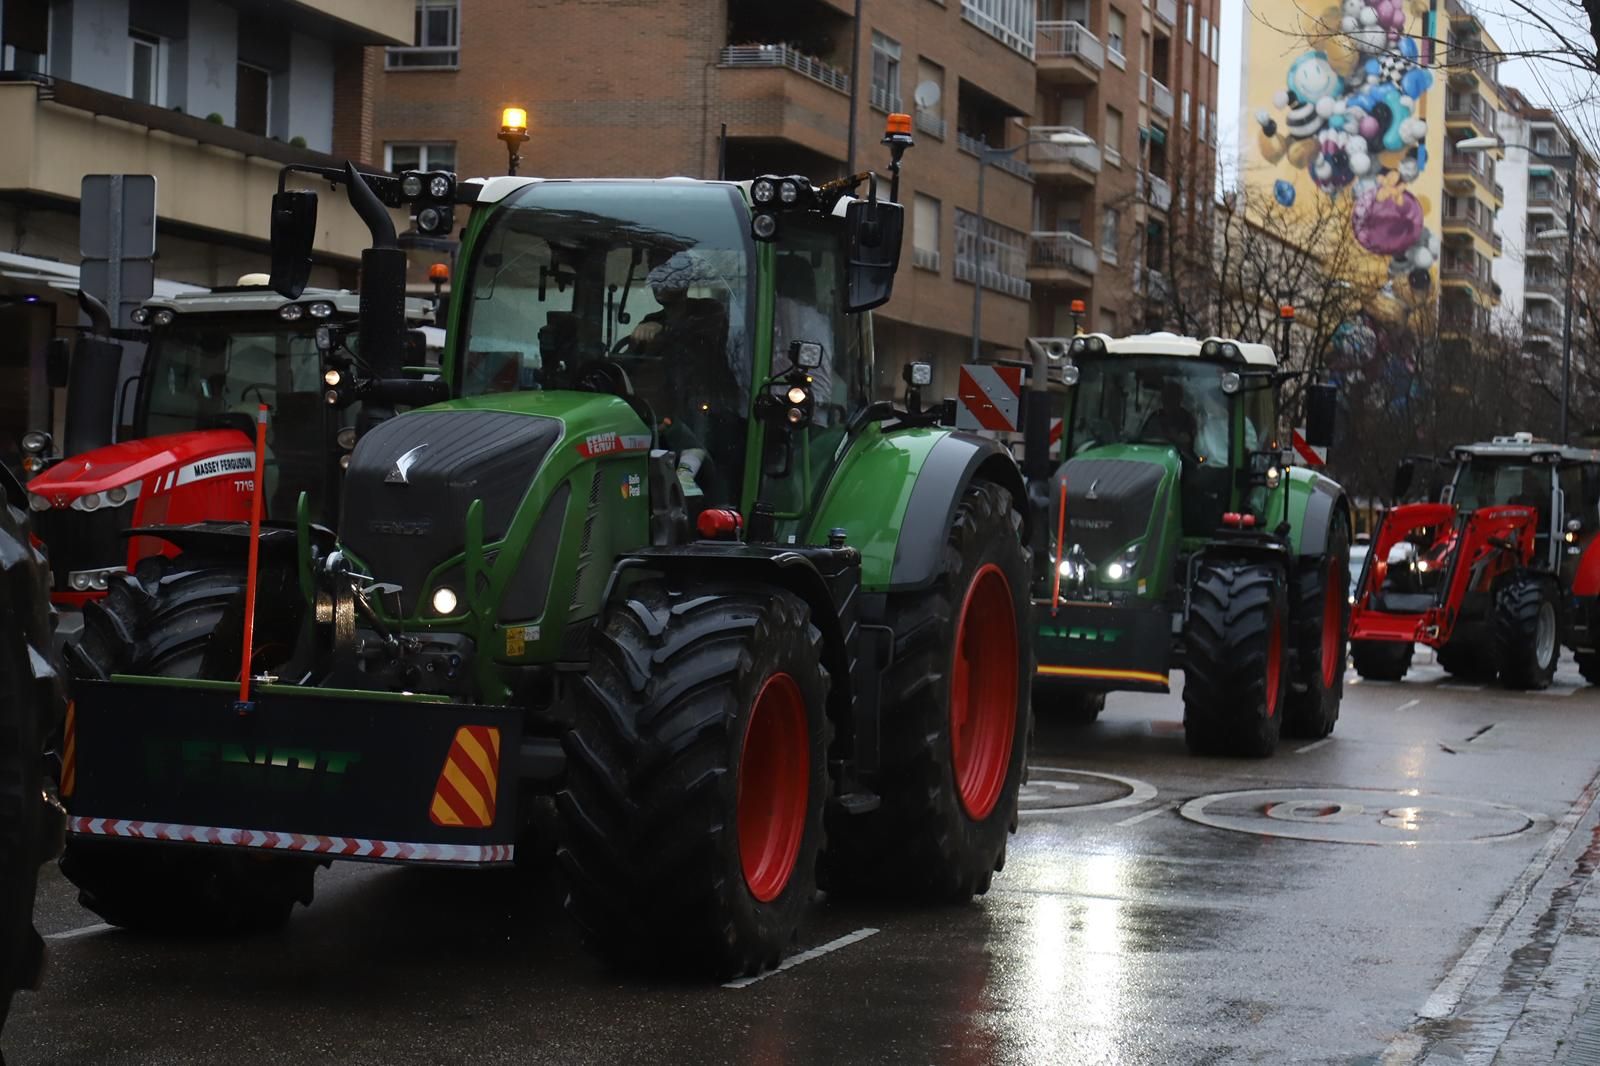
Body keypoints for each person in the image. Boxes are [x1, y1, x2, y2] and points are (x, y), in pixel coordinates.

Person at [1142, 378, 1199, 455]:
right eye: (1166, 396)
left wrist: (1178, 438)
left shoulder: (1187, 419)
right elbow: (1143, 440)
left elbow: (1193, 445)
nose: (1169, 400)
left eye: (1172, 396)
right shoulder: (1155, 417)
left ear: (1180, 398)